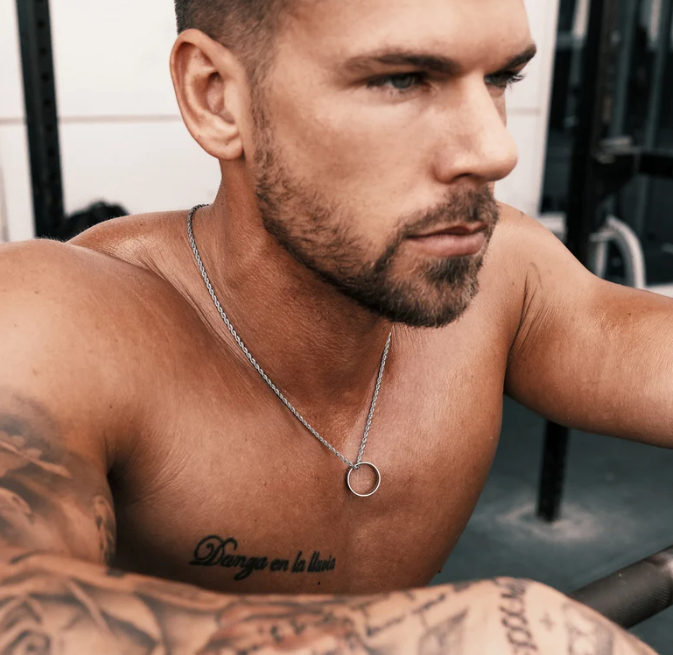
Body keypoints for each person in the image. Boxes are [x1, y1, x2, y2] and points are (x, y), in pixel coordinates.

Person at [0, 0, 667, 651]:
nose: (496, 150)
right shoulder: (58, 321)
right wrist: (456, 630)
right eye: (401, 79)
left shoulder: (506, 273)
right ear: (217, 97)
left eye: (500, 77)